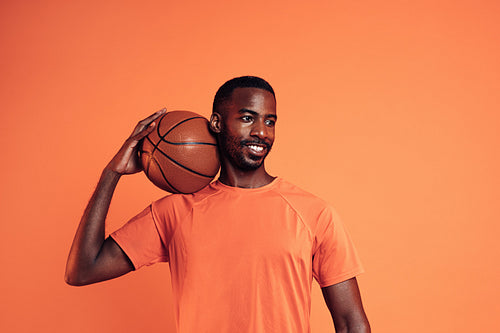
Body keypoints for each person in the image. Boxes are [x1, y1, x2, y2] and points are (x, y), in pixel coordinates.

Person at [65, 76, 371, 332]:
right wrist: (111, 173)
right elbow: (82, 270)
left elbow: (351, 323)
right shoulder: (175, 211)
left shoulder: (314, 213)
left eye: (270, 121)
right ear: (217, 122)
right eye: (248, 118)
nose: (262, 132)